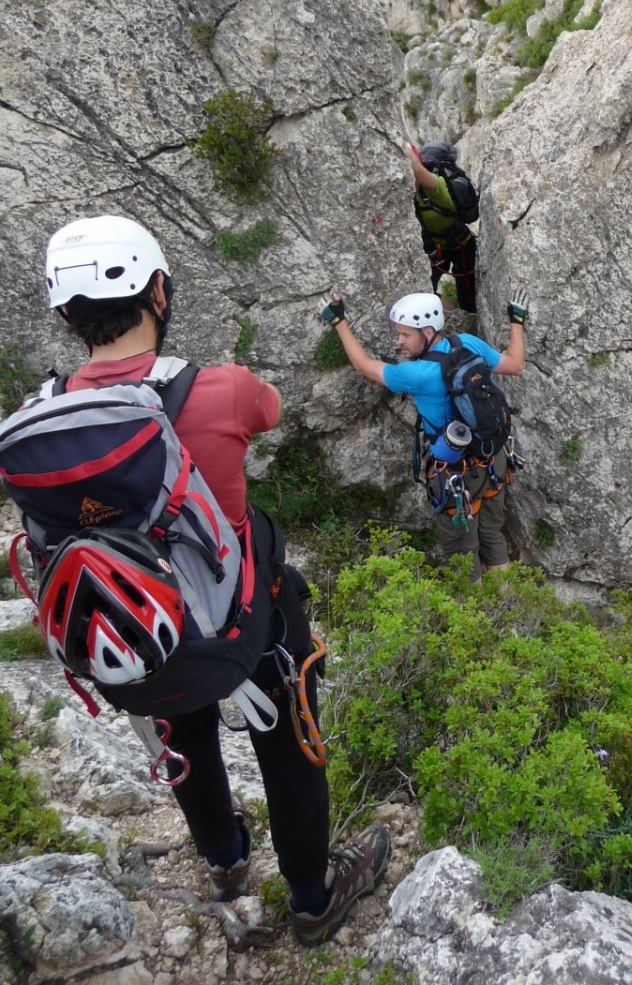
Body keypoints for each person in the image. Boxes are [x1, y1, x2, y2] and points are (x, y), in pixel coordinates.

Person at [36, 215, 389, 945]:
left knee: (182, 735)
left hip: (133, 641)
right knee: (287, 749)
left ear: (66, 314)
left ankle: (227, 864)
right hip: (237, 628)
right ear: (159, 290)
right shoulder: (220, 389)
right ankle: (312, 896)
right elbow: (271, 408)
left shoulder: (38, 417)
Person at [319, 287, 528, 577]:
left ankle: (477, 617)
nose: (399, 342)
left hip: (457, 473)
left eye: (405, 334)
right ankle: (504, 605)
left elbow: (363, 366)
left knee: (462, 554)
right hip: (494, 458)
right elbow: (515, 365)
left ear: (427, 331)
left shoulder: (416, 375)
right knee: (492, 533)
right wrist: (516, 320)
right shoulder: (468, 343)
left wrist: (338, 321)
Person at [406, 140, 479, 313]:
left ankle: (467, 322)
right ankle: (449, 314)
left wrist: (405, 147)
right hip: (436, 248)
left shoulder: (437, 187)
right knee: (423, 290)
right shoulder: (416, 192)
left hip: (461, 246)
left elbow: (417, 170)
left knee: (468, 300)